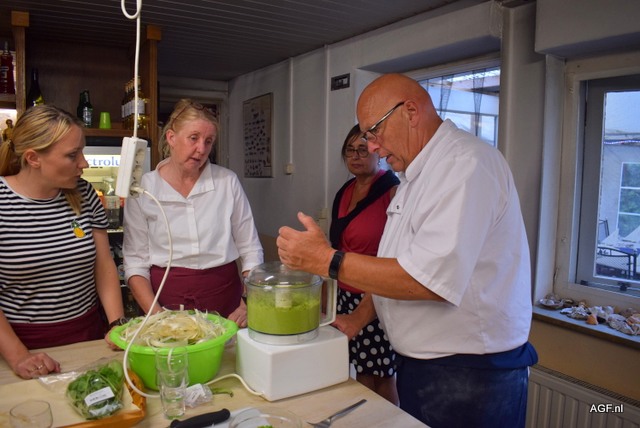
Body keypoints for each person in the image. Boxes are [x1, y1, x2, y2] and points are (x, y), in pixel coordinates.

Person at [277, 73, 538, 428]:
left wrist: (327, 260)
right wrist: (358, 318)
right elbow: (397, 266)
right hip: (427, 365)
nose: (371, 146)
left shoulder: (464, 165)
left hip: (468, 373)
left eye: (374, 132)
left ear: (411, 112)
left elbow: (426, 281)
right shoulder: (415, 176)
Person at [0, 105, 125, 379]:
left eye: (82, 151)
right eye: (72, 155)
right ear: (33, 158)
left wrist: (117, 324)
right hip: (19, 344)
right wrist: (19, 356)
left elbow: (104, 264)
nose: (84, 163)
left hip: (88, 334)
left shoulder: (84, 193)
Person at [123, 99, 263, 328]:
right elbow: (135, 261)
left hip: (225, 298)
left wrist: (248, 302)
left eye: (208, 141)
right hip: (163, 300)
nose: (202, 149)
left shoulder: (227, 182)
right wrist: (156, 315)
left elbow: (250, 248)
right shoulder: (143, 189)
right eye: (194, 138)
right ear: (171, 138)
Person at [329, 124, 400, 404]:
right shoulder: (345, 190)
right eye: (350, 151)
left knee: (380, 374)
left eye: (362, 149)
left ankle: (386, 421)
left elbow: (395, 252)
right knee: (358, 369)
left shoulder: (392, 191)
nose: (355, 156)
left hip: (375, 296)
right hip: (344, 294)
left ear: (376, 152)